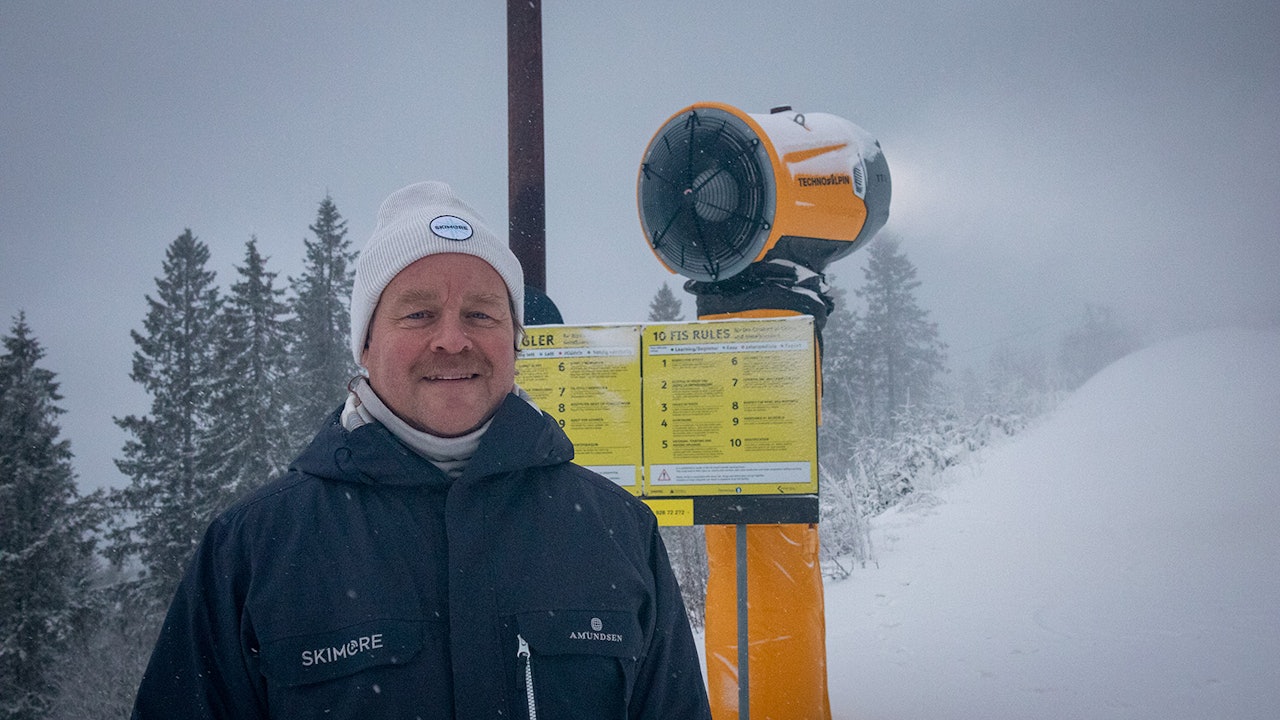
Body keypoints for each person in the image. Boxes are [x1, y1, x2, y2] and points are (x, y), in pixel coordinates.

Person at [131, 181, 712, 719]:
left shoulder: (618, 532)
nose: (452, 339)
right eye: (419, 313)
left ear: (513, 338)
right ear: (365, 342)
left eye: (481, 313)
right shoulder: (255, 550)